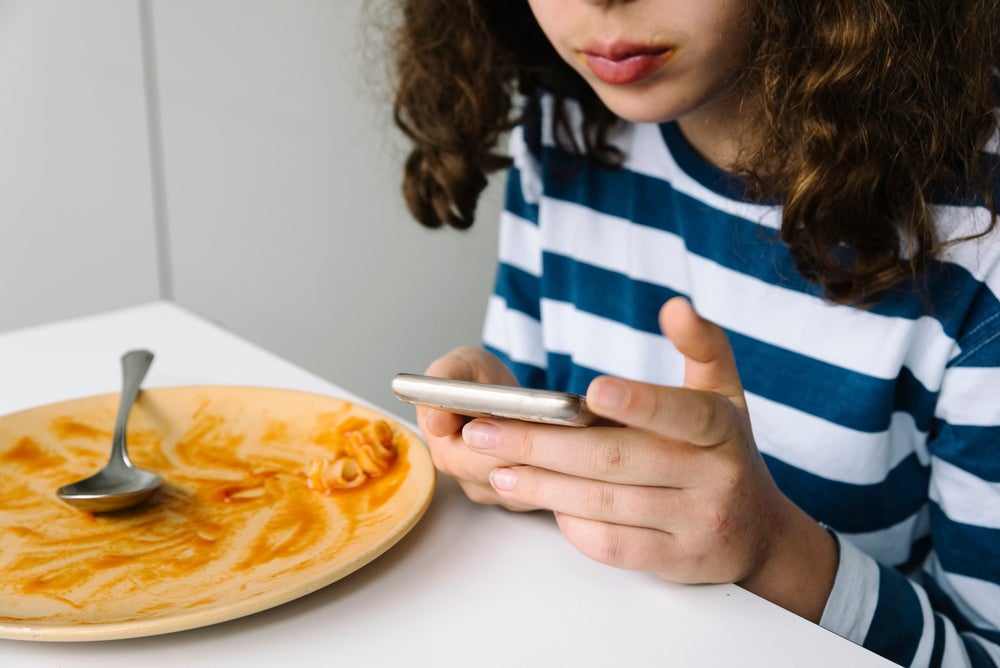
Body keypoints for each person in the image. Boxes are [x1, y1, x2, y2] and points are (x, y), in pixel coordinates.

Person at [389, 1, 1000, 666]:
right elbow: (545, 508)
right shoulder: (567, 120)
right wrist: (502, 450)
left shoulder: (980, 237)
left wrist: (771, 551)